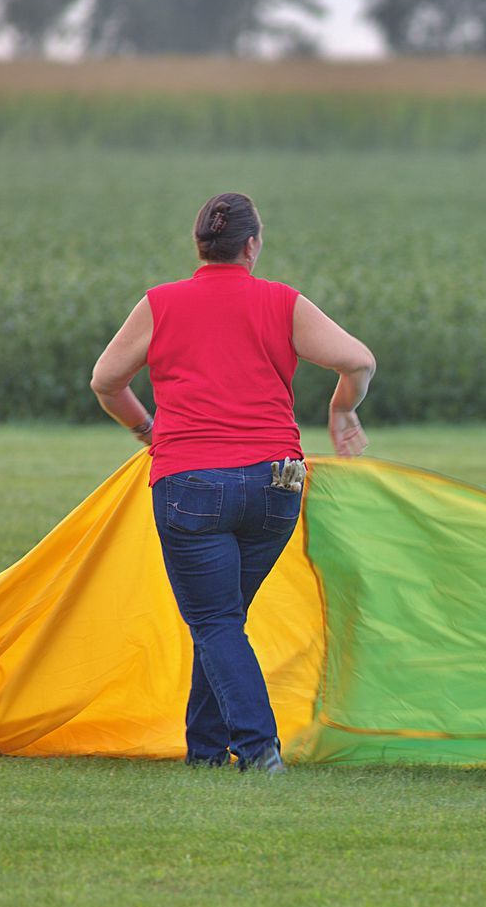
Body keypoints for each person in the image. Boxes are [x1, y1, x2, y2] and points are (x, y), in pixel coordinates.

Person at [89, 192, 376, 773]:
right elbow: (359, 361)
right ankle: (203, 751)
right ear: (251, 245)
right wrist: (343, 409)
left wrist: (146, 429)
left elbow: (105, 381)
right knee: (223, 619)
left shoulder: (161, 304)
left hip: (191, 483)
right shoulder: (282, 302)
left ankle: (257, 747)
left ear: (200, 245)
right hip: (277, 486)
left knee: (215, 621)